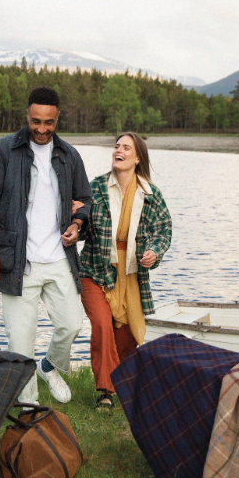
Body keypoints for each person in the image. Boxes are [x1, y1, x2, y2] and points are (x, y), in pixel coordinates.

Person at [0, 87, 92, 405]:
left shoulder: (69, 155)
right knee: (21, 343)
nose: (41, 129)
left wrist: (77, 224)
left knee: (72, 323)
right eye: (36, 121)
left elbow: (86, 200)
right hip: (17, 262)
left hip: (58, 259)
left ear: (57, 118)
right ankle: (29, 408)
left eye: (48, 122)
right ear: (27, 115)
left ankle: (49, 366)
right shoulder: (3, 150)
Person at [79, 132, 172, 410]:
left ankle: (123, 382)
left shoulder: (151, 194)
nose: (118, 150)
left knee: (127, 332)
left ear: (137, 157)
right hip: (95, 268)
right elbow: (81, 226)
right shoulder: (95, 187)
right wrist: (75, 224)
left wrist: (154, 251)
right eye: (116, 146)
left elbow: (163, 230)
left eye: (125, 147)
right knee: (102, 325)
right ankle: (106, 391)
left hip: (131, 272)